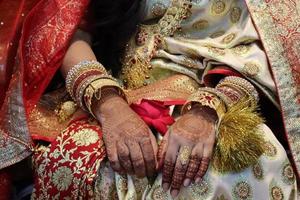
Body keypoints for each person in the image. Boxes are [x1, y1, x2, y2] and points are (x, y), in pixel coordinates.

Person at [0, 0, 298, 199]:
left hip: (213, 90)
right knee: (74, 160)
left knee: (223, 168)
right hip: (110, 84)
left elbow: (274, 56)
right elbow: (67, 30)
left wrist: (209, 110)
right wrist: (108, 103)